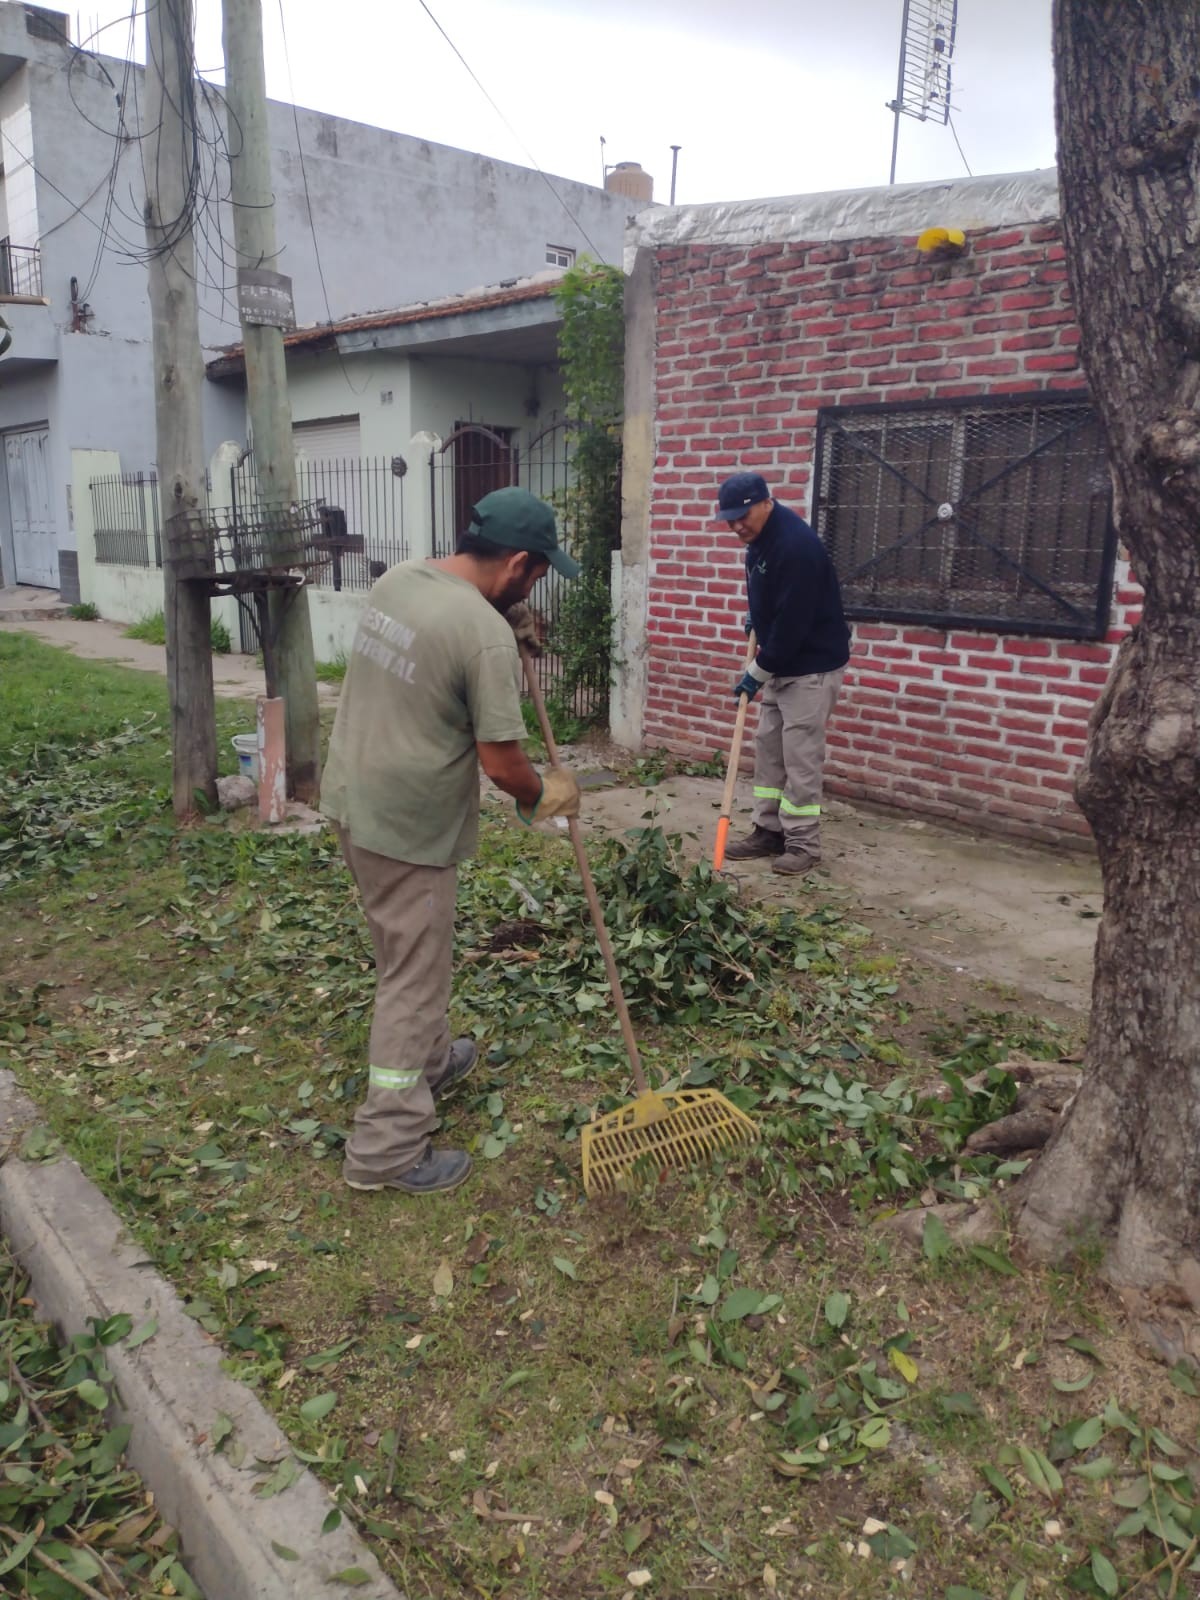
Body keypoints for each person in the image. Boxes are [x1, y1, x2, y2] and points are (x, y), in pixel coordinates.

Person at [321, 487, 582, 1196]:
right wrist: (546, 795)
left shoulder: (401, 579)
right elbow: (502, 764)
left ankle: (430, 1061)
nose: (535, 589)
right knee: (412, 977)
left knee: (407, 953)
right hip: (408, 826)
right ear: (518, 563)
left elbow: (438, 653)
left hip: (354, 799)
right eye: (538, 575)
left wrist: (497, 614)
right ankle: (386, 1146)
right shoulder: (482, 636)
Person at [715, 470, 851, 875]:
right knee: (769, 749)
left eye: (743, 516)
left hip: (810, 667)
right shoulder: (759, 539)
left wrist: (756, 672)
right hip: (780, 660)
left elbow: (793, 625)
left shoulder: (796, 547)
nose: (737, 526)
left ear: (766, 503)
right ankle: (768, 831)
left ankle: (804, 844)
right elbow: (772, 594)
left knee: (800, 756)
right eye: (729, 519)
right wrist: (756, 617)